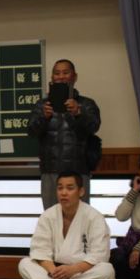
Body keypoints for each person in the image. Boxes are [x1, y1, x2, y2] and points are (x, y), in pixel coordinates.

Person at [18, 172, 115, 279]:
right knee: (25, 264)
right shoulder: (48, 215)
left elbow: (99, 254)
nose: (63, 193)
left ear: (81, 191)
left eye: (70, 188)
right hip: (53, 272)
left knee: (107, 270)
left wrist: (73, 269)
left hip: (81, 271)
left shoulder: (94, 217)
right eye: (60, 188)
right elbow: (40, 251)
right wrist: (55, 273)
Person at [27, 59, 101, 209]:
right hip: (50, 170)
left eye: (66, 73)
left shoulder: (87, 104)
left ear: (74, 77)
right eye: (57, 73)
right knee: (51, 217)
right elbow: (31, 132)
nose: (61, 76)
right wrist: (44, 117)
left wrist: (78, 113)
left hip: (78, 171)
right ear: (52, 77)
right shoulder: (42, 105)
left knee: (79, 218)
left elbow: (93, 127)